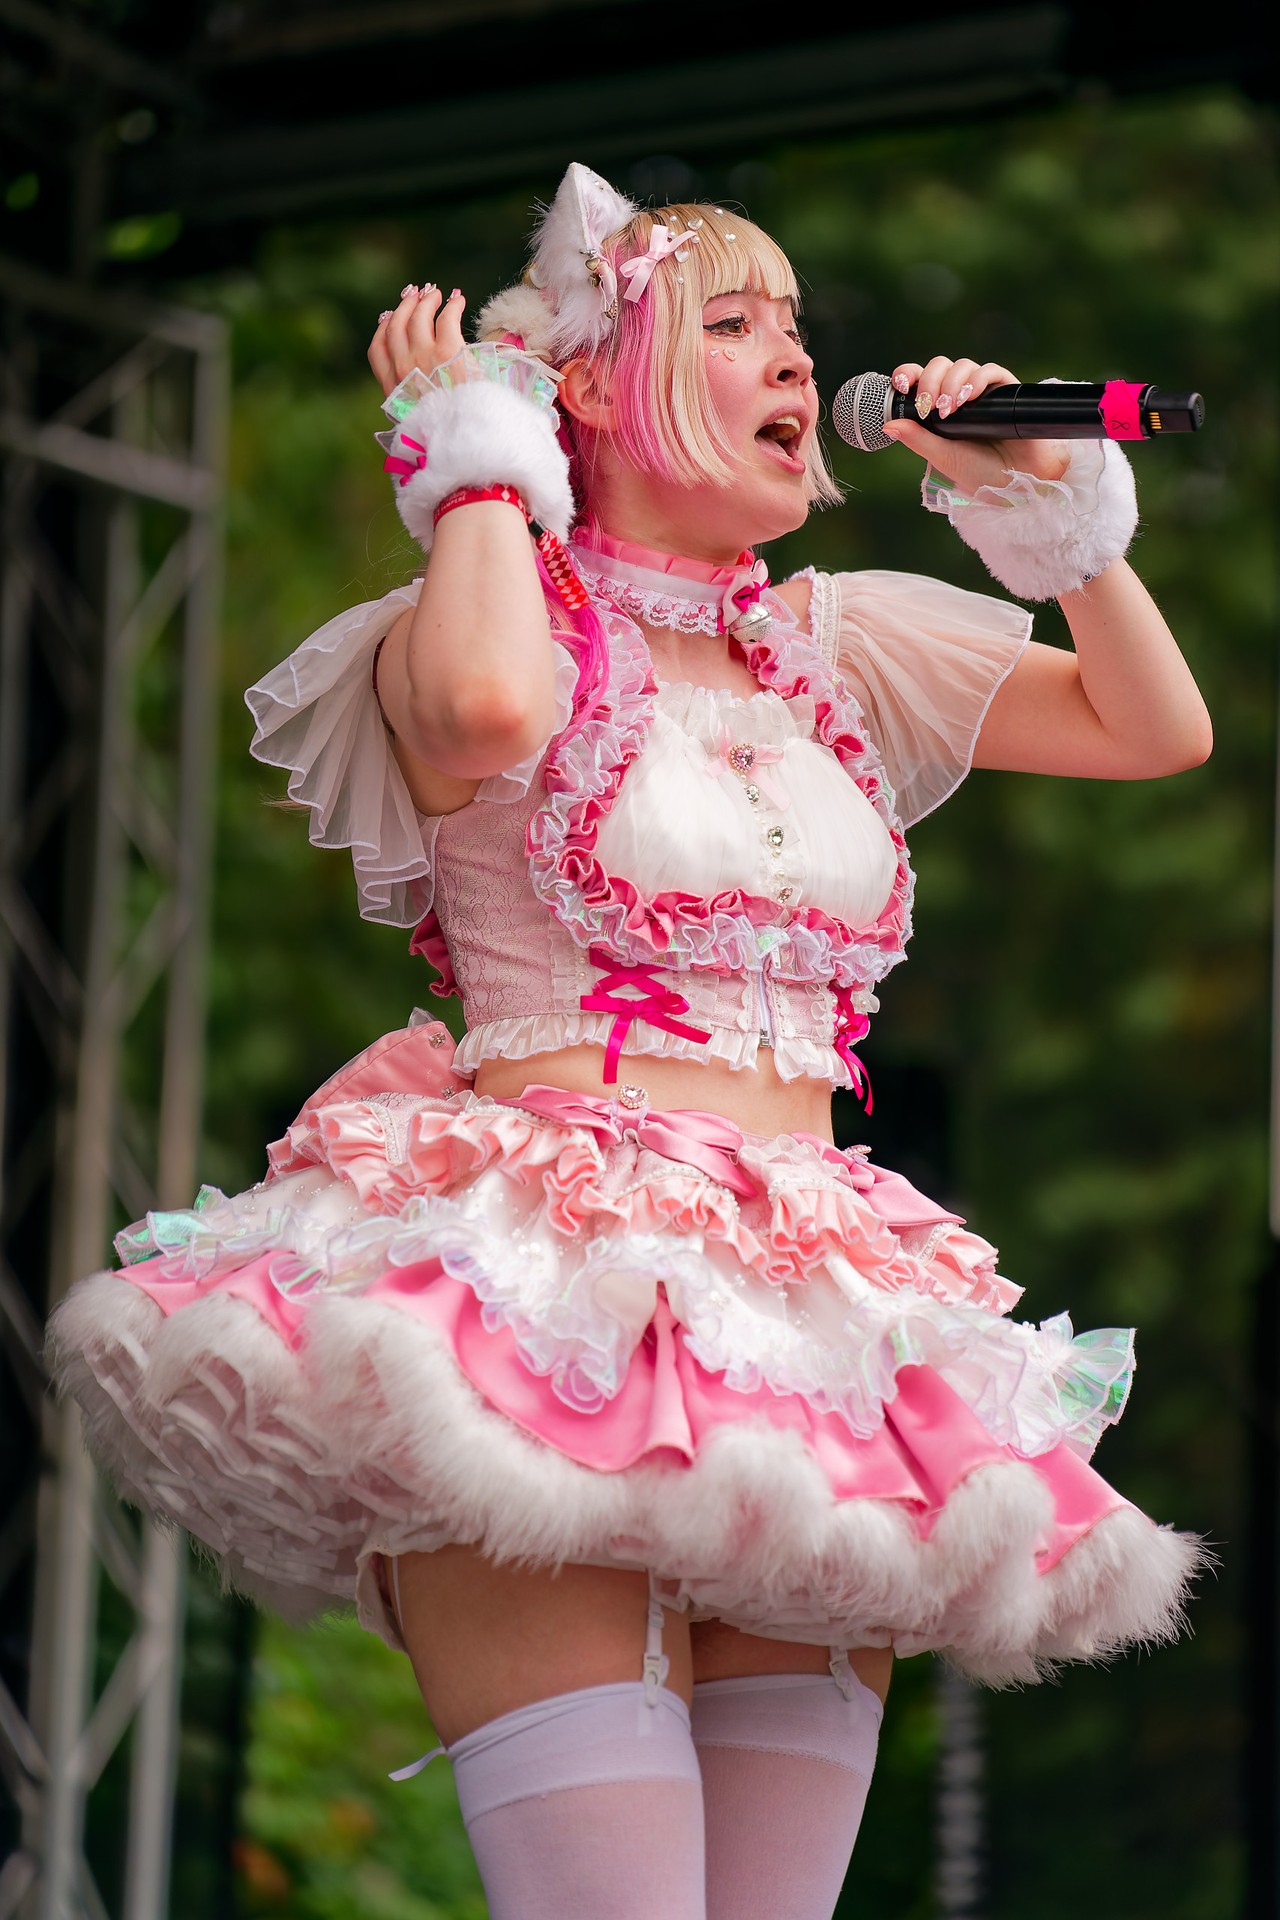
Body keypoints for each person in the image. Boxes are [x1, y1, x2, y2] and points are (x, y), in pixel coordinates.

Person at [48, 163, 1212, 1919]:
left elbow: (1154, 728)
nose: (793, 358)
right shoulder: (484, 621)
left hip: (798, 1302)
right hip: (551, 1278)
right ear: (588, 385)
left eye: (797, 325)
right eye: (732, 323)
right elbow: (486, 709)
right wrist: (478, 456)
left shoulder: (837, 641)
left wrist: (1053, 524)